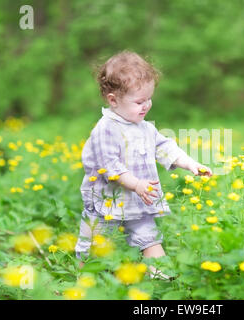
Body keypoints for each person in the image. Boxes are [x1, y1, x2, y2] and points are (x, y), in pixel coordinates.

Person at [74, 50, 212, 280]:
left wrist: (189, 164)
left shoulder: (145, 127)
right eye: (139, 101)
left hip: (139, 200)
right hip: (106, 202)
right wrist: (136, 184)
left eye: (148, 98)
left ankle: (162, 278)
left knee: (150, 238)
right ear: (113, 100)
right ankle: (82, 281)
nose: (146, 105)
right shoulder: (105, 129)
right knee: (94, 244)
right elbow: (110, 165)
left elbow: (164, 147)